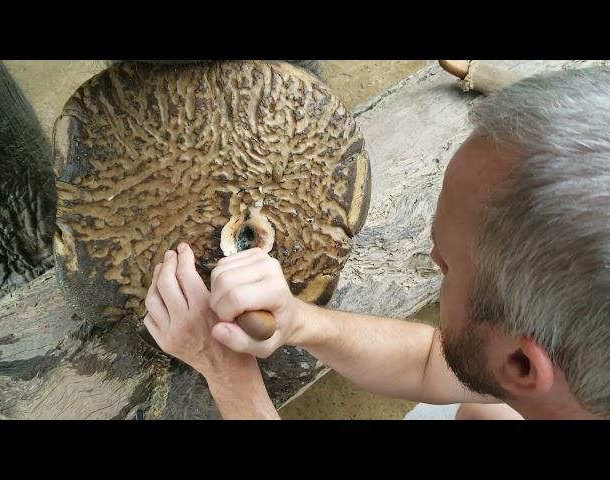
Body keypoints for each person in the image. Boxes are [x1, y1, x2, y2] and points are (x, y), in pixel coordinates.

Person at [142, 67, 610, 420]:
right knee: (485, 409)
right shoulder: (563, 375)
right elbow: (433, 361)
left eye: (445, 268)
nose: (432, 258)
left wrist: (225, 370)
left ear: (522, 365)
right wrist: (300, 321)